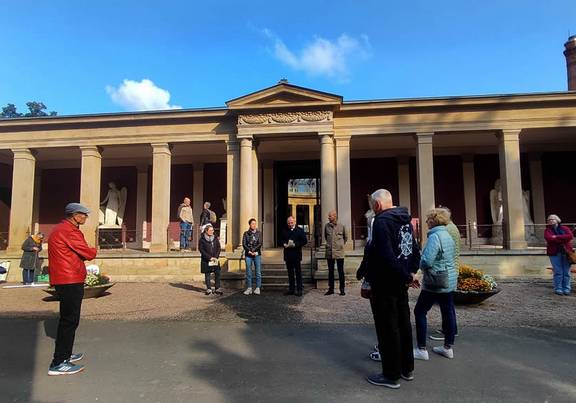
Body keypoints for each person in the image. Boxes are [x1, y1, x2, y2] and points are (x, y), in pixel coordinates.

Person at [360, 189, 420, 389]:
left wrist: (405, 275)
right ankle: (406, 368)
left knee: (388, 328)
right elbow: (414, 249)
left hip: (385, 283)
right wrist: (410, 273)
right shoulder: (404, 219)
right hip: (401, 281)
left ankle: (391, 375)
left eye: (372, 206)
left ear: (377, 205)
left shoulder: (382, 222)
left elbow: (384, 255)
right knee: (403, 324)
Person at [47, 203, 97, 376]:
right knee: (69, 320)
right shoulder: (69, 231)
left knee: (68, 319)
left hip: (65, 277)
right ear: (74, 215)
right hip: (69, 278)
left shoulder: (60, 228)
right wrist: (92, 249)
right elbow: (89, 253)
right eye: (82, 214)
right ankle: (58, 362)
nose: (85, 217)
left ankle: (65, 354)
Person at [413, 208, 458, 362]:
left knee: (419, 311)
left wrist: (420, 266)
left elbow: (427, 260)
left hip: (435, 280)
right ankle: (448, 347)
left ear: (433, 220)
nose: (426, 222)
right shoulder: (447, 235)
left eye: (427, 220)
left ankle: (421, 349)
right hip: (449, 279)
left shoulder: (435, 237)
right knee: (448, 312)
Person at [429, 207, 460, 341]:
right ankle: (450, 330)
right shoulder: (452, 228)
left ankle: (449, 332)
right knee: (447, 304)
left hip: (445, 271)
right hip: (451, 270)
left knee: (446, 305)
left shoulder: (446, 230)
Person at [544, 214, 573, 296]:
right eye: (549, 220)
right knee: (558, 271)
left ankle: (566, 289)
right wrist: (562, 238)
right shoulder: (547, 230)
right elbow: (549, 238)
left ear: (557, 220)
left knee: (566, 272)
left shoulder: (565, 228)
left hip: (566, 252)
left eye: (552, 219)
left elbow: (570, 236)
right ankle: (558, 288)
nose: (550, 221)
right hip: (554, 253)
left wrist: (555, 237)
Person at [280, 216, 308, 297]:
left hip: (296, 254)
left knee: (298, 273)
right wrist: (283, 244)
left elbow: (304, 241)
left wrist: (296, 244)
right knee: (290, 273)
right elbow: (281, 239)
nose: (290, 224)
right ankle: (291, 289)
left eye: (291, 223)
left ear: (295, 222)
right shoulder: (284, 230)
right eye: (288, 223)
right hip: (288, 255)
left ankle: (299, 289)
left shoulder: (299, 230)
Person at [324, 210, 348, 296]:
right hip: (330, 252)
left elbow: (346, 237)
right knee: (330, 271)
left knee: (340, 271)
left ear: (335, 216)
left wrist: (340, 245)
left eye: (330, 216)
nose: (328, 217)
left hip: (339, 252)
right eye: (328, 216)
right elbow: (326, 237)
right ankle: (331, 289)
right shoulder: (326, 226)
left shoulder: (342, 226)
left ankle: (342, 289)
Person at [199, 223, 222, 295]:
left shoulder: (215, 238)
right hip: (206, 259)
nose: (212, 232)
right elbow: (201, 250)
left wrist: (216, 257)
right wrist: (209, 257)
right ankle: (208, 288)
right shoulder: (202, 239)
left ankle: (217, 288)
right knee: (207, 274)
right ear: (206, 231)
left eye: (212, 230)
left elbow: (218, 248)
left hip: (215, 259)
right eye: (210, 230)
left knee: (217, 273)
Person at [242, 218, 263, 296]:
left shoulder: (259, 233)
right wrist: (249, 251)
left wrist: (253, 250)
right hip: (248, 255)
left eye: (255, 223)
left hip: (257, 254)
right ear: (249, 225)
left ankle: (258, 287)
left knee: (258, 272)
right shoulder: (246, 233)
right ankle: (249, 288)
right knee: (248, 272)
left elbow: (260, 243)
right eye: (252, 224)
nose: (254, 225)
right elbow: (244, 244)